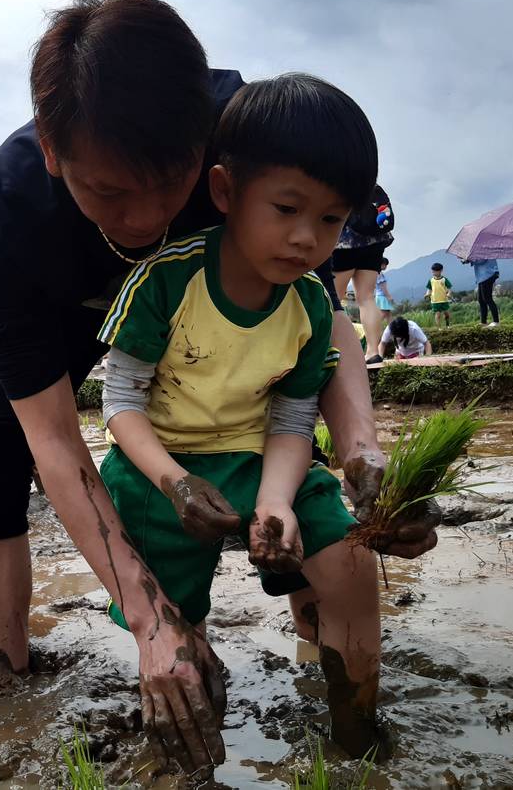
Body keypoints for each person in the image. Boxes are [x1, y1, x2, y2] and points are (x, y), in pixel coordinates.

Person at [0, 0, 436, 773]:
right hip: (71, 304)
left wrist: (362, 454)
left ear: (209, 162)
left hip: (219, 314)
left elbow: (318, 320)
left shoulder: (240, 137)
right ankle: (3, 666)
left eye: (167, 187)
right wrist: (148, 619)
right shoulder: (8, 213)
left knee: (279, 446)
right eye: (108, 191)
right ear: (51, 147)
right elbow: (54, 432)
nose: (142, 220)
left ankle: (318, 629)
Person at [100, 74, 383, 758]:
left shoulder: (312, 307)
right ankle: (187, 743)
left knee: (350, 568)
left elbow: (291, 421)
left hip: (262, 457)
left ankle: (355, 733)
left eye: (329, 220)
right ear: (226, 192)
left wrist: (279, 501)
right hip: (156, 466)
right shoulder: (168, 279)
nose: (305, 238)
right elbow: (120, 404)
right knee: (178, 630)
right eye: (286, 208)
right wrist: (173, 482)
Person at [332, 184, 394, 363]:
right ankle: (373, 351)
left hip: (344, 244)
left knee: (333, 298)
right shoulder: (371, 185)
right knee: (367, 298)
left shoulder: (338, 183)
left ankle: (335, 350)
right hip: (374, 244)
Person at [468, 258, 500, 326]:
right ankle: (483, 322)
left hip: (488, 274)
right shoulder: (479, 249)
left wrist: (469, 259)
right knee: (481, 300)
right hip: (482, 276)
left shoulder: (484, 248)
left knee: (487, 298)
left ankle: (496, 321)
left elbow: (481, 260)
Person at [424, 263, 452, 327]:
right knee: (438, 314)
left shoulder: (444, 279)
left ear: (441, 271)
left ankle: (448, 325)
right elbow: (429, 289)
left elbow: (449, 288)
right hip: (435, 300)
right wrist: (427, 294)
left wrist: (449, 293)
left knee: (446, 314)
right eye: (432, 272)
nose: (433, 273)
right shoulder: (431, 280)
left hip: (444, 299)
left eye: (435, 272)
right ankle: (439, 328)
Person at [373, 258, 394, 327]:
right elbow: (383, 288)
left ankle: (393, 330)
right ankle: (373, 327)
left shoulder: (376, 273)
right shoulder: (379, 275)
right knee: (384, 314)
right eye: (384, 265)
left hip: (379, 296)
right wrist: (389, 296)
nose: (385, 266)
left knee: (388, 314)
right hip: (382, 296)